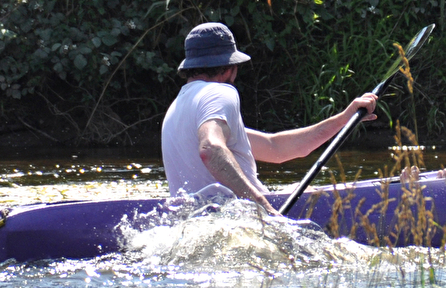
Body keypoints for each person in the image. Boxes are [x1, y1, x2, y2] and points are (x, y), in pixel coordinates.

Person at [161, 22, 378, 215]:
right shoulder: (220, 92)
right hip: (240, 219)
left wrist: (344, 119)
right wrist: (263, 207)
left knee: (295, 188)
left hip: (193, 221)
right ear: (229, 69)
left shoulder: (177, 108)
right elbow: (210, 148)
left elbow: (276, 147)